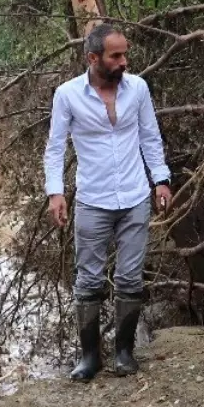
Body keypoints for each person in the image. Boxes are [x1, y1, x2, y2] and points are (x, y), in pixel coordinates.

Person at [44, 24, 172, 382]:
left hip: (134, 196)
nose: (123, 62)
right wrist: (56, 192)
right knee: (88, 280)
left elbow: (150, 136)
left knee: (130, 277)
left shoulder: (138, 89)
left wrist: (161, 180)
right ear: (93, 57)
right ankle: (89, 357)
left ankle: (125, 352)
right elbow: (55, 148)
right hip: (92, 199)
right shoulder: (68, 95)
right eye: (116, 56)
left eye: (125, 54)